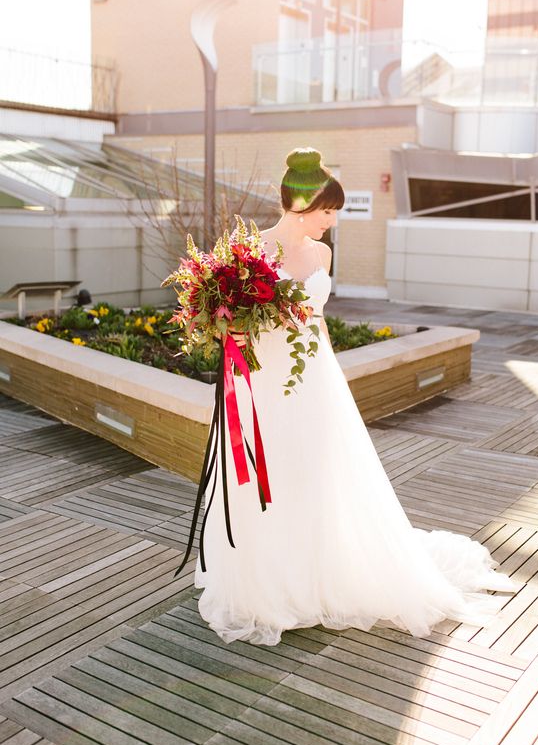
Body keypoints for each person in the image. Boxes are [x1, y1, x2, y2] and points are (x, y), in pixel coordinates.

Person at [194, 147, 518, 646]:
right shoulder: (249, 253)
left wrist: (324, 378)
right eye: (327, 211)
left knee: (315, 469)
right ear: (301, 204)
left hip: (312, 377)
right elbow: (231, 323)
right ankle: (265, 575)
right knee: (267, 470)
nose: (332, 222)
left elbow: (317, 324)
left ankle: (317, 569)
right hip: (261, 380)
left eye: (335, 212)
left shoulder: (322, 254)